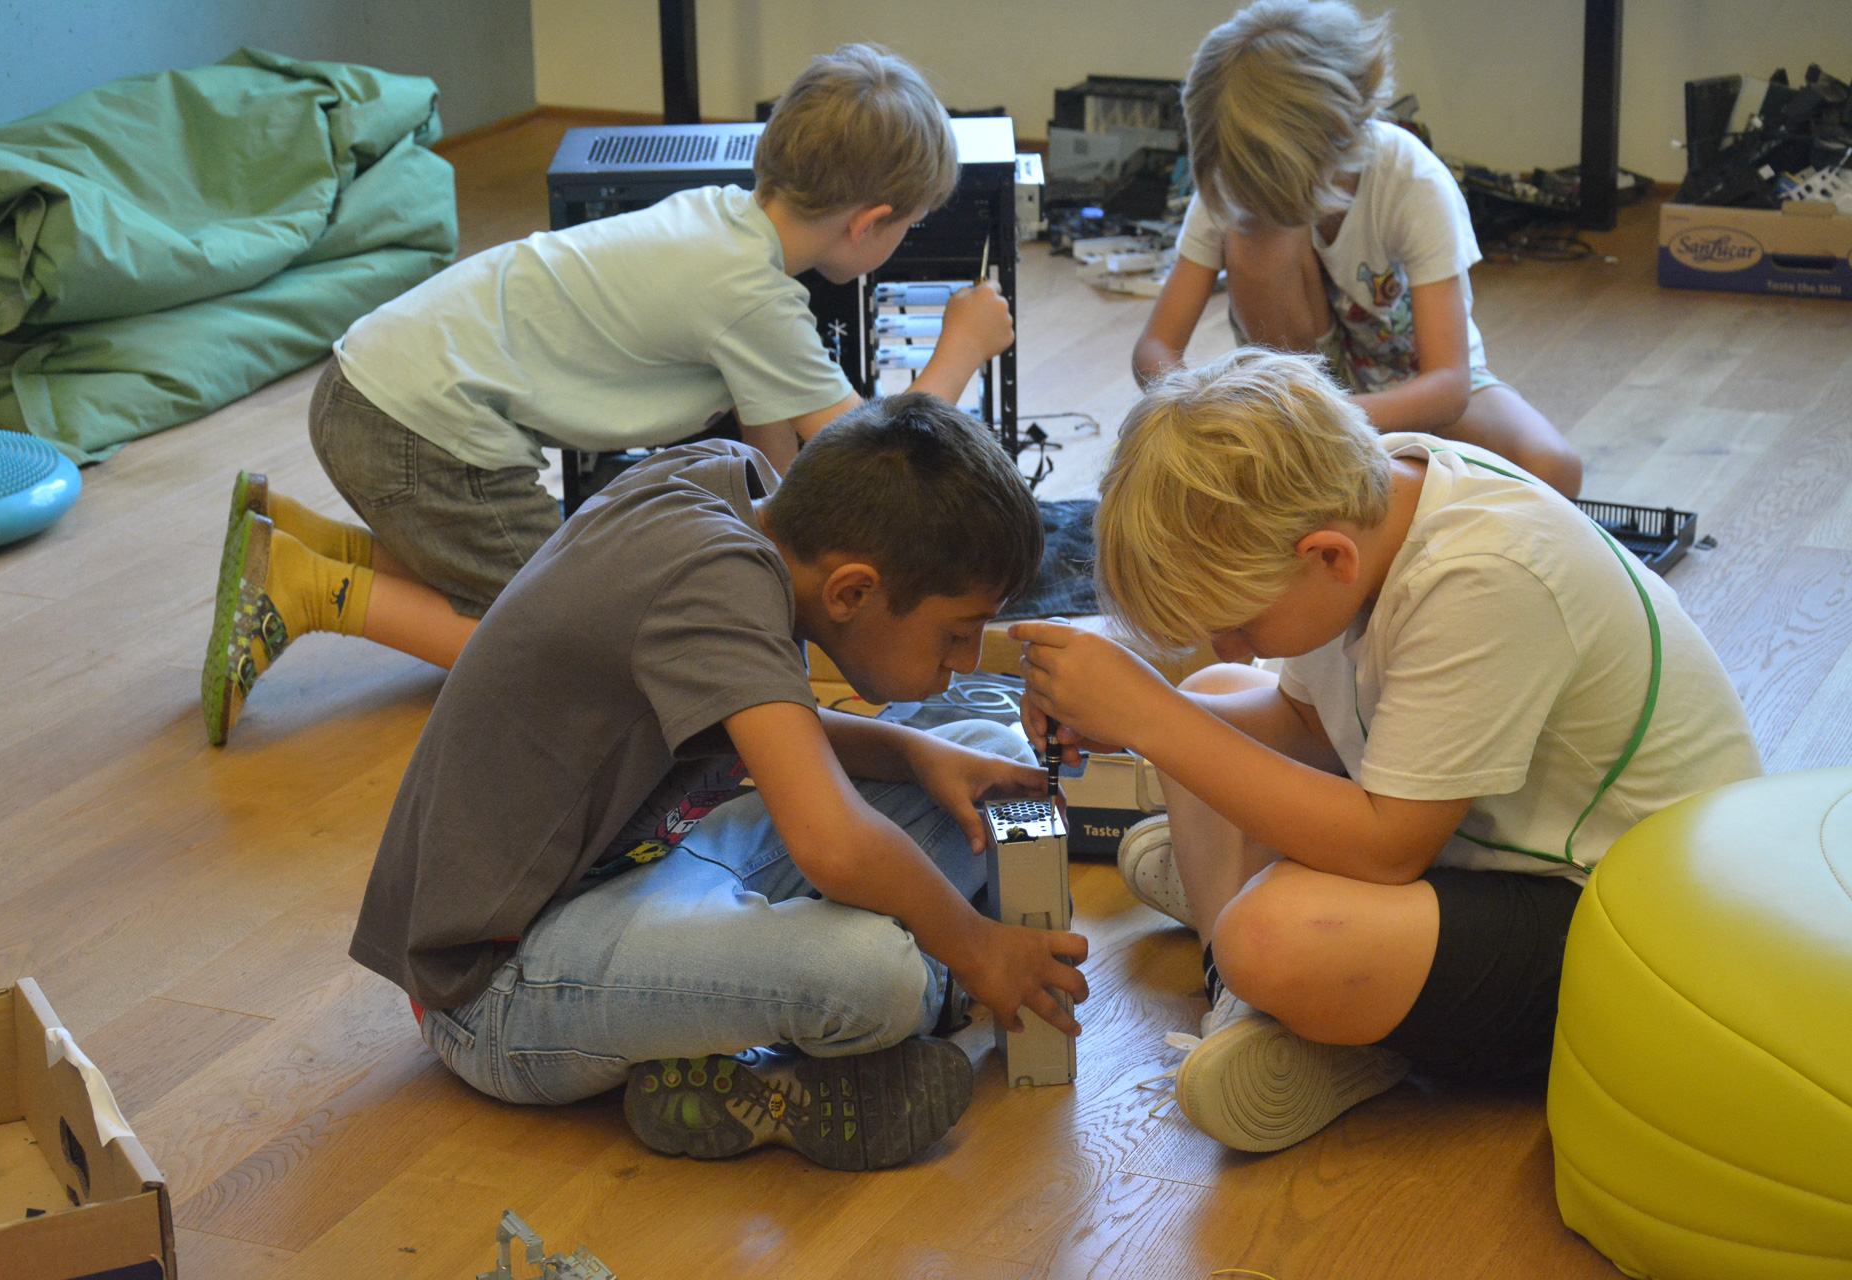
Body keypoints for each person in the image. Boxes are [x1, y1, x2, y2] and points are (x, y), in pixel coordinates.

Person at [1011, 348, 1759, 1153]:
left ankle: (1300, 996)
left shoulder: (1482, 577)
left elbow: (1389, 849)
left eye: (1240, 622)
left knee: (1266, 930)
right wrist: (1142, 720)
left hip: (1635, 929)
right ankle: (1255, 998)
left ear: (1328, 557)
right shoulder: (1369, 501)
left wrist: (1153, 719)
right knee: (1213, 697)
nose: (1234, 643)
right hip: (1487, 849)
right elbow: (1306, 720)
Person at [348, 394, 1089, 1170]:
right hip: (496, 986)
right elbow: (834, 847)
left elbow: (761, 724)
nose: (965, 662)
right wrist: (975, 948)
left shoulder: (739, 493)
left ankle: (846, 1003)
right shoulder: (714, 582)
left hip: (649, 864)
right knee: (875, 974)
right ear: (852, 592)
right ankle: (842, 1035)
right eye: (957, 634)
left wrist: (913, 755)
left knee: (981, 761)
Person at [200, 43, 1014, 745]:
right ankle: (312, 591)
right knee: (563, 644)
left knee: (523, 577)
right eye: (909, 225)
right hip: (413, 425)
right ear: (870, 223)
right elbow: (873, 458)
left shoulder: (719, 227)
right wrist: (961, 348)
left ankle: (305, 541)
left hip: (377, 391)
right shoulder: (752, 298)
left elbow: (775, 464)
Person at [1132, 0, 1583, 497]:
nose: (1250, 196)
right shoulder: (1239, 174)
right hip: (1299, 396)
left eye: (1279, 189)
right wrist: (1205, 410)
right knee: (1253, 235)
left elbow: (1448, 386)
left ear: (1338, 137)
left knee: (1553, 467)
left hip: (1408, 395)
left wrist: (1322, 422)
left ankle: (1332, 478)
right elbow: (1155, 348)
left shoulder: (1413, 180)